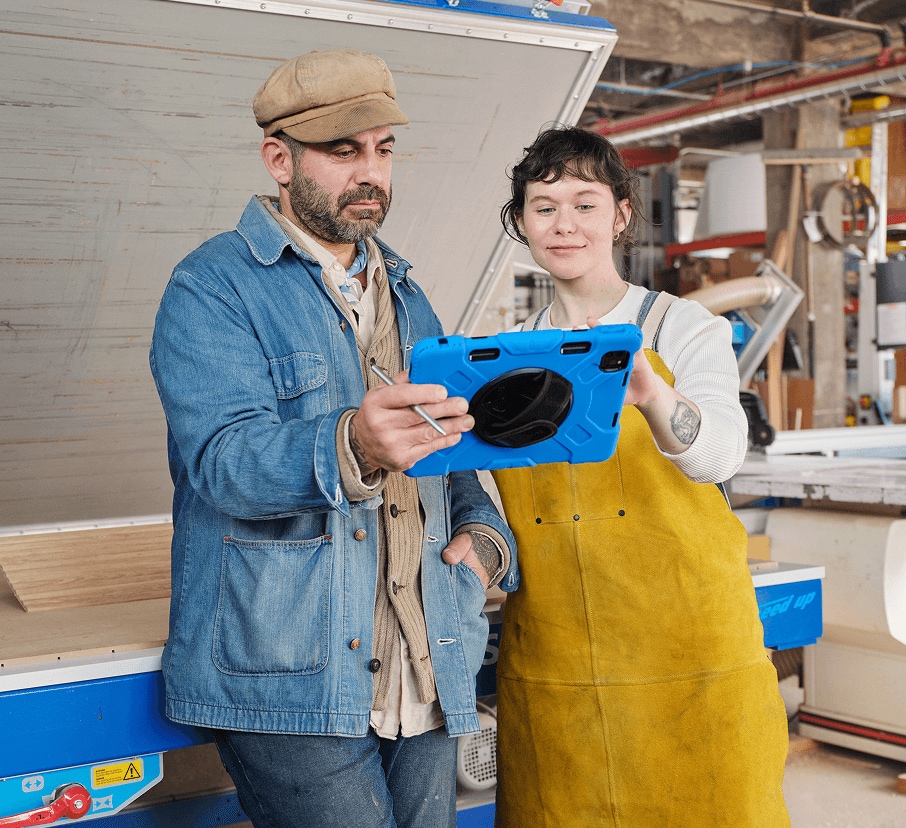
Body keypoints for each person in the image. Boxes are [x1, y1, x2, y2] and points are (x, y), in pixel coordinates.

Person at [149, 48, 517, 828]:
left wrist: (485, 534)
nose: (370, 173)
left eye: (383, 150)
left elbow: (450, 453)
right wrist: (353, 442)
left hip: (425, 654)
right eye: (343, 151)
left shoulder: (409, 296)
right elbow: (222, 463)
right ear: (279, 159)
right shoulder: (212, 285)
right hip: (290, 668)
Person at [491, 125, 790, 826]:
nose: (564, 224)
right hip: (562, 668)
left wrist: (654, 396)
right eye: (544, 206)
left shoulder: (682, 328)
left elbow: (719, 455)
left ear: (621, 214)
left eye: (585, 203)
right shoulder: (501, 360)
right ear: (522, 223)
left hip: (693, 660)